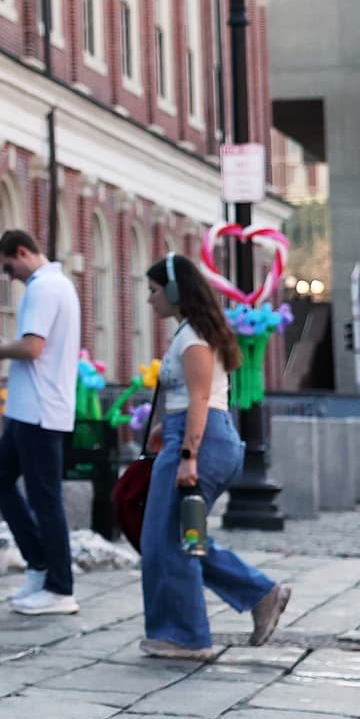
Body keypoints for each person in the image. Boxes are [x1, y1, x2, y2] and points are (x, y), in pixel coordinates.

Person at [138, 254, 290, 661]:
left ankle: (187, 636)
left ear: (174, 291)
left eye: (154, 291)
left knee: (170, 539)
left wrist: (187, 454)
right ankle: (261, 595)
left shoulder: (193, 339)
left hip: (200, 443)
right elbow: (190, 397)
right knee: (180, 536)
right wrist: (164, 429)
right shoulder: (190, 333)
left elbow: (201, 399)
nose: (150, 300)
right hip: (192, 437)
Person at [0, 229, 82, 616]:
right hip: (31, 409)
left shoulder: (43, 287)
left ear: (22, 252)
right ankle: (40, 565)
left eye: (8, 266)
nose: (8, 275)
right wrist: (2, 344)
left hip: (39, 410)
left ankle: (60, 587)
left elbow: (33, 348)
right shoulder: (57, 285)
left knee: (44, 497)